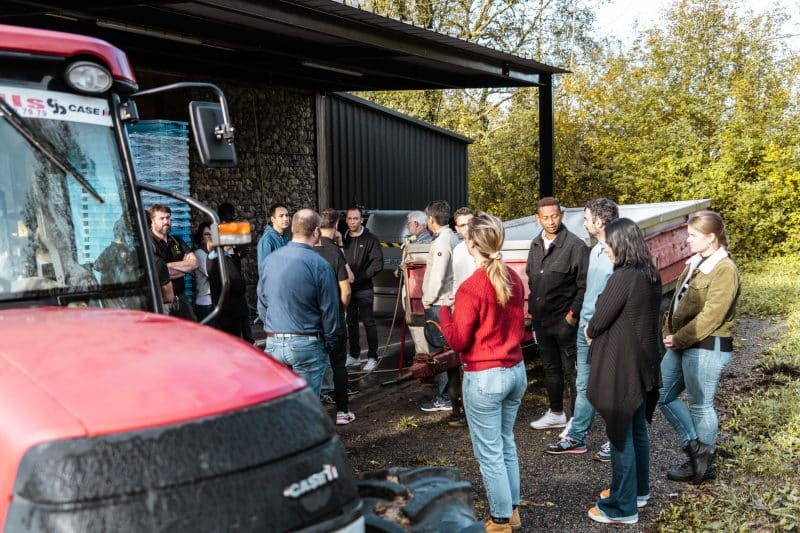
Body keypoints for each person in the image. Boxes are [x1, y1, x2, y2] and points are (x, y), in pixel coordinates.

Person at [438, 213, 526, 533]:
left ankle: (500, 521)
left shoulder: (471, 287)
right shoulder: (513, 278)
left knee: (489, 454)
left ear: (470, 243)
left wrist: (444, 313)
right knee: (505, 442)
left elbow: (459, 341)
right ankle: (512, 511)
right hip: (515, 370)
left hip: (486, 375)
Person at [585, 218, 662, 525]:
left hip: (621, 367)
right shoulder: (650, 273)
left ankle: (622, 507)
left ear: (621, 244)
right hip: (643, 366)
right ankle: (638, 491)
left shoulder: (624, 277)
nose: (605, 249)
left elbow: (599, 319)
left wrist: (590, 331)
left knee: (620, 434)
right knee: (637, 429)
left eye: (608, 243)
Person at [658, 210, 740, 484]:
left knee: (700, 405)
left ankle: (702, 464)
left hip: (706, 345)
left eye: (693, 235)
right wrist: (670, 333)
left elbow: (712, 316)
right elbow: (677, 302)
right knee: (662, 394)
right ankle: (697, 450)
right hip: (681, 342)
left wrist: (678, 338)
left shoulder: (724, 269)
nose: (688, 240)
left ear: (711, 237)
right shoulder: (696, 261)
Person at [546, 198, 617, 459]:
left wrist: (597, 328)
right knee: (584, 385)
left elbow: (615, 299)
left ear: (599, 222)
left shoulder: (616, 254)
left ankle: (616, 440)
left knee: (609, 387)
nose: (584, 223)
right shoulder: (595, 250)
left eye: (587, 219)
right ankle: (576, 436)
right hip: (585, 329)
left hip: (603, 332)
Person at [257, 209, 339, 397]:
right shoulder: (320, 265)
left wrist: (274, 328)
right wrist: (330, 340)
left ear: (293, 228)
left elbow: (262, 302)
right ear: (316, 231)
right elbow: (329, 310)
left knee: (279, 402)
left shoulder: (269, 261)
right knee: (306, 403)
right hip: (306, 342)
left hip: (273, 341)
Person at [526, 197, 588, 430]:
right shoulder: (535, 244)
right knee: (550, 368)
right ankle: (556, 413)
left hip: (565, 321)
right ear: (538, 218)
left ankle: (576, 420)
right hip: (542, 321)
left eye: (554, 216)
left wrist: (572, 316)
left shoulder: (575, 246)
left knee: (572, 370)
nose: (551, 221)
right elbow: (532, 279)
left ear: (561, 215)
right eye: (546, 217)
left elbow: (584, 285)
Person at [315, 208, 356, 425]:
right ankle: (342, 411)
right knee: (339, 364)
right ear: (337, 225)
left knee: (314, 365)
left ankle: (314, 415)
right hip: (335, 316)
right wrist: (342, 308)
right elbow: (347, 286)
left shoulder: (309, 249)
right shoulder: (334, 252)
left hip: (313, 316)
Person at [419, 200, 459, 414]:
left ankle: (443, 397)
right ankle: (449, 395)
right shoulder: (450, 236)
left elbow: (438, 275)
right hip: (444, 302)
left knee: (439, 354)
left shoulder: (442, 241)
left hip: (438, 303)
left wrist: (428, 299)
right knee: (446, 352)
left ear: (431, 219)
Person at [444, 206, 475, 427]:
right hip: (462, 310)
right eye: (463, 225)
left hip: (479, 310)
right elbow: (456, 280)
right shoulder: (458, 250)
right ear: (456, 228)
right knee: (459, 361)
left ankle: (474, 411)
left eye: (471, 223)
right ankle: (460, 409)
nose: (467, 228)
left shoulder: (485, 247)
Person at [343, 206, 384, 372]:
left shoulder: (370, 239)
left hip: (364, 288)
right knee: (351, 322)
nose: (352, 222)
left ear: (362, 220)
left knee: (369, 322)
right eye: (350, 218)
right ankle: (354, 356)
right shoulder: (342, 238)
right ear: (346, 220)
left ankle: (373, 357)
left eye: (356, 218)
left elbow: (378, 263)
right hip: (347, 288)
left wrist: (359, 278)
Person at [396, 209, 435, 369]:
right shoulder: (416, 241)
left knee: (417, 324)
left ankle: (424, 359)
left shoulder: (422, 244)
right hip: (416, 289)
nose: (408, 226)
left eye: (409, 224)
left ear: (418, 224)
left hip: (416, 291)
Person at [149, 204, 198, 320]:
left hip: (181, 299)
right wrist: (184, 269)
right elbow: (156, 272)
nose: (166, 221)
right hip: (162, 302)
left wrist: (168, 266)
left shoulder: (176, 241)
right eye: (162, 218)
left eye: (168, 218)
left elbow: (195, 263)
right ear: (152, 221)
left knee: (191, 328)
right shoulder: (148, 243)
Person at [208, 243, 252, 340]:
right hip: (233, 309)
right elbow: (239, 285)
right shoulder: (226, 260)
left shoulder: (211, 258)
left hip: (220, 305)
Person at [257, 202, 291, 274]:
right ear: (273, 219)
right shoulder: (267, 240)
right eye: (281, 216)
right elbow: (264, 270)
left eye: (287, 215)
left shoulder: (287, 236)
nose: (285, 218)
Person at [192, 221, 214, 322]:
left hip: (214, 300)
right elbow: (212, 273)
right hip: (206, 301)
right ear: (201, 237)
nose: (210, 237)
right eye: (206, 234)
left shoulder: (213, 252)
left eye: (212, 234)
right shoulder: (199, 254)